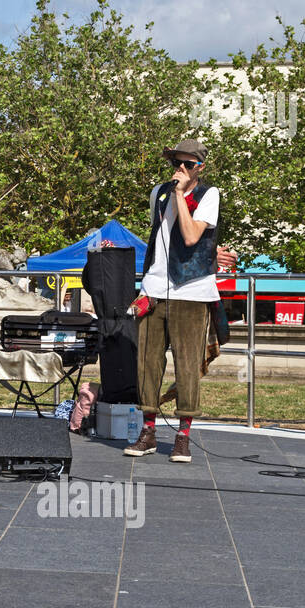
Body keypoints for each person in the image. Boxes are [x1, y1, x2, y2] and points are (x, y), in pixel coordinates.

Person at [125, 138, 220, 464]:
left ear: (199, 168)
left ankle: (183, 437)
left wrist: (180, 193)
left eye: (187, 164)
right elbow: (160, 237)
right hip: (154, 287)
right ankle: (148, 430)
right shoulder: (159, 193)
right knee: (147, 364)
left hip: (192, 291)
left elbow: (193, 236)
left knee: (187, 365)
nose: (180, 169)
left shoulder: (209, 195)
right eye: (176, 163)